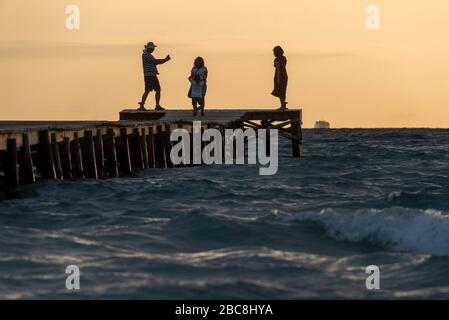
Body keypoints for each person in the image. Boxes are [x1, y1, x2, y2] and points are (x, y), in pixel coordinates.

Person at [138, 42, 171, 111]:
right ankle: (155, 105)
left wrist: (164, 60)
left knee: (148, 90)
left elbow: (155, 62)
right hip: (151, 75)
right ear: (150, 48)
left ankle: (145, 105)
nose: (153, 49)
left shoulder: (146, 55)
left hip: (149, 75)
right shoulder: (147, 55)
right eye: (153, 48)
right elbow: (155, 61)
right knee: (156, 90)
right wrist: (165, 60)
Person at [271, 46, 288, 110]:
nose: (273, 53)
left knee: (280, 90)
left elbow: (278, 69)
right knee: (283, 90)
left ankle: (282, 105)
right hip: (284, 75)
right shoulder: (284, 58)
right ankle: (283, 104)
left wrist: (278, 79)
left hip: (280, 76)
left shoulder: (277, 60)